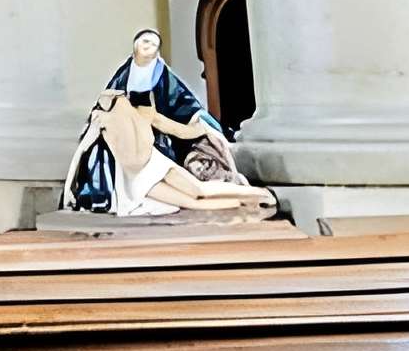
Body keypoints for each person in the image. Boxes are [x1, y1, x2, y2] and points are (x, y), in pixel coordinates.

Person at [62, 26, 277, 219]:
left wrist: (192, 125)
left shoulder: (160, 76)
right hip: (135, 175)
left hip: (152, 158)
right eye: (145, 42)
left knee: (198, 191)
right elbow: (93, 139)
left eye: (154, 44)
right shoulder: (120, 85)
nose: (148, 47)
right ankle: (246, 202)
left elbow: (181, 105)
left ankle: (259, 194)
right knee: (194, 201)